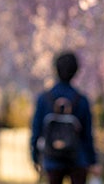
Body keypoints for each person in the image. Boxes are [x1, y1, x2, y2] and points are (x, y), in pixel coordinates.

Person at [31, 51, 99, 184]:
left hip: (52, 158)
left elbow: (36, 130)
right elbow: (87, 135)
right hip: (78, 158)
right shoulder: (82, 100)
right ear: (76, 71)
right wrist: (92, 161)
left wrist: (35, 157)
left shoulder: (44, 99)